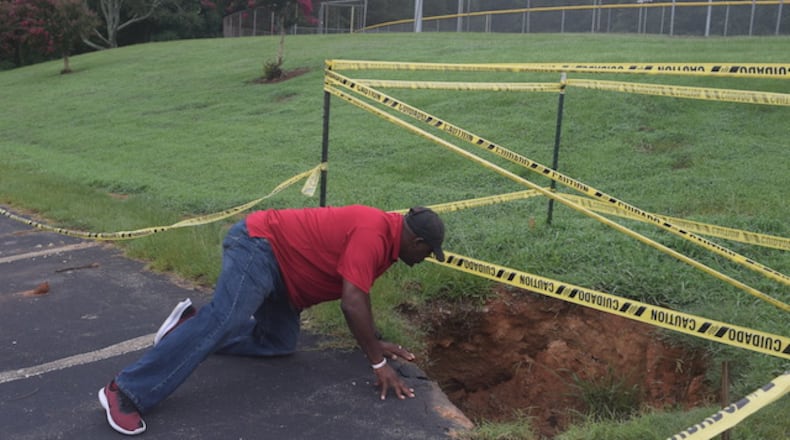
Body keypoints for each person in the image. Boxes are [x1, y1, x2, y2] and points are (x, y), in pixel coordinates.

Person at [98, 205, 446, 435]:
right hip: (260, 246)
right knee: (227, 318)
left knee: (278, 343)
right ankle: (126, 391)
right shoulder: (374, 232)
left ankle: (187, 329)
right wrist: (377, 361)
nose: (425, 258)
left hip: (286, 280)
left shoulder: (387, 243)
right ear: (416, 241)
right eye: (428, 252)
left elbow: (359, 294)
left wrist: (374, 341)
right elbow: (351, 302)